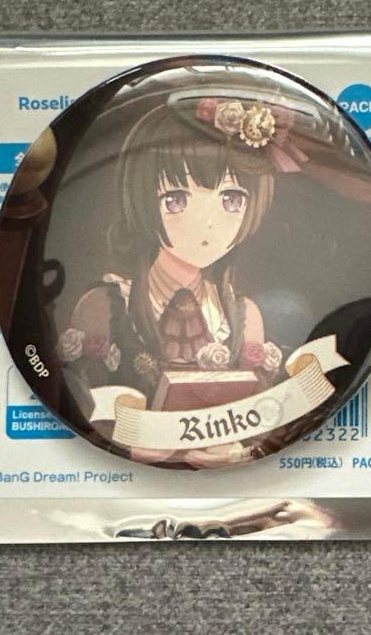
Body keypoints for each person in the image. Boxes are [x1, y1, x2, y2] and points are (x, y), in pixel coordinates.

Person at [56, 93, 303, 466]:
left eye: (231, 199)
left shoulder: (243, 314)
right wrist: (125, 445)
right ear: (142, 200)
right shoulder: (106, 305)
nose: (207, 225)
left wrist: (238, 452)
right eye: (175, 200)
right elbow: (77, 405)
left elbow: (259, 417)